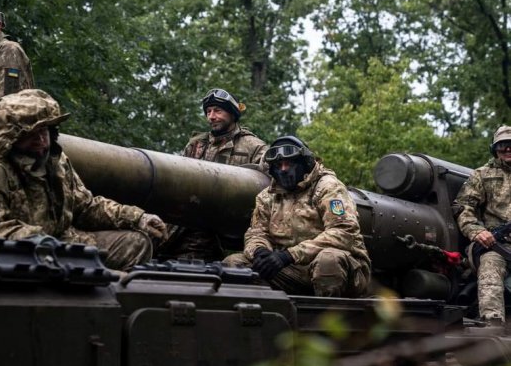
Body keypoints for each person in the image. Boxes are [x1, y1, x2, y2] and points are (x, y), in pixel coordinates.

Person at [0, 89, 167, 271]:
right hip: (19, 252)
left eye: (44, 130)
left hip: (63, 243)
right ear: (11, 136)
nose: (41, 139)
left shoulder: (56, 161)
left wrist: (137, 217)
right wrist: (36, 239)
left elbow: (85, 207)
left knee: (136, 243)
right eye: (31, 133)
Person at [223, 136, 371, 297]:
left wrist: (289, 255)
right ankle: (264, 309)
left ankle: (328, 312)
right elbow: (256, 233)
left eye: (289, 164)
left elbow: (344, 232)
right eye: (278, 165)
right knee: (234, 264)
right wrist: (260, 252)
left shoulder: (328, 187)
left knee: (328, 260)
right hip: (291, 270)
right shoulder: (267, 196)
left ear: (304, 163)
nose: (283, 169)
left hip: (342, 269)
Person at [157, 88, 268, 261]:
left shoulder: (254, 147)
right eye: (208, 112)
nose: (211, 116)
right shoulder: (195, 145)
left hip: (223, 231)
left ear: (232, 113)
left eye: (217, 111)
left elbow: (268, 186)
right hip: (183, 223)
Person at [454, 125, 511, 329]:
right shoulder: (482, 175)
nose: (507, 149)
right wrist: (477, 232)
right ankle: (492, 325)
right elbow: (463, 207)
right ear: (494, 149)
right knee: (490, 267)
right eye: (502, 145)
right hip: (496, 244)